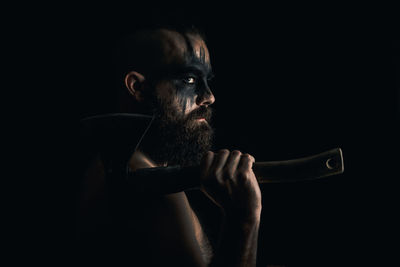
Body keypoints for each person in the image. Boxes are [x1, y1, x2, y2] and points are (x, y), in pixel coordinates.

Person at [77, 25, 262, 267]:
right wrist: (244, 218)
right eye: (190, 79)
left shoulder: (143, 169)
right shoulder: (137, 179)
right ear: (137, 87)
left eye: (207, 81)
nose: (209, 96)